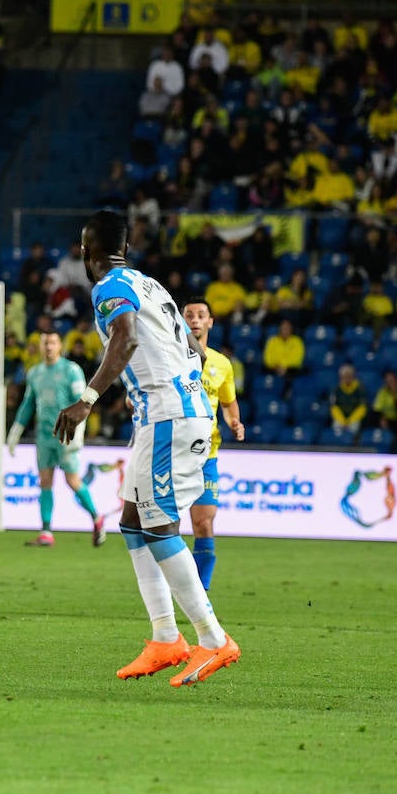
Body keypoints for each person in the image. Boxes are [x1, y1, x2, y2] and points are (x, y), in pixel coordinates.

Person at [54, 210, 240, 687]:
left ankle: (214, 639)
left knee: (158, 527)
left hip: (167, 417)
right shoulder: (151, 284)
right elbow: (195, 353)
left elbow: (127, 337)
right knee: (133, 522)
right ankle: (164, 638)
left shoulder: (109, 288)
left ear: (84, 250)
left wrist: (87, 400)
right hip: (166, 413)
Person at [6, 330, 106, 548]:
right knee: (45, 481)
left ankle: (97, 519)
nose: (48, 347)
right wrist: (16, 430)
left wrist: (78, 433)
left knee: (72, 481)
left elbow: (83, 404)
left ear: (60, 345)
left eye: (52, 342)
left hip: (66, 434)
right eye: (45, 343)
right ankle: (46, 531)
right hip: (44, 435)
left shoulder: (71, 370)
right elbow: (28, 403)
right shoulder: (34, 373)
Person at [182, 299, 245, 590]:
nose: (195, 320)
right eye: (189, 315)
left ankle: (200, 590)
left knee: (203, 524)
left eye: (201, 315)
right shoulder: (169, 359)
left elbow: (229, 404)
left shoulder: (222, 364)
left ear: (211, 322)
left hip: (207, 454)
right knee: (161, 526)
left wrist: (234, 422)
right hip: (170, 452)